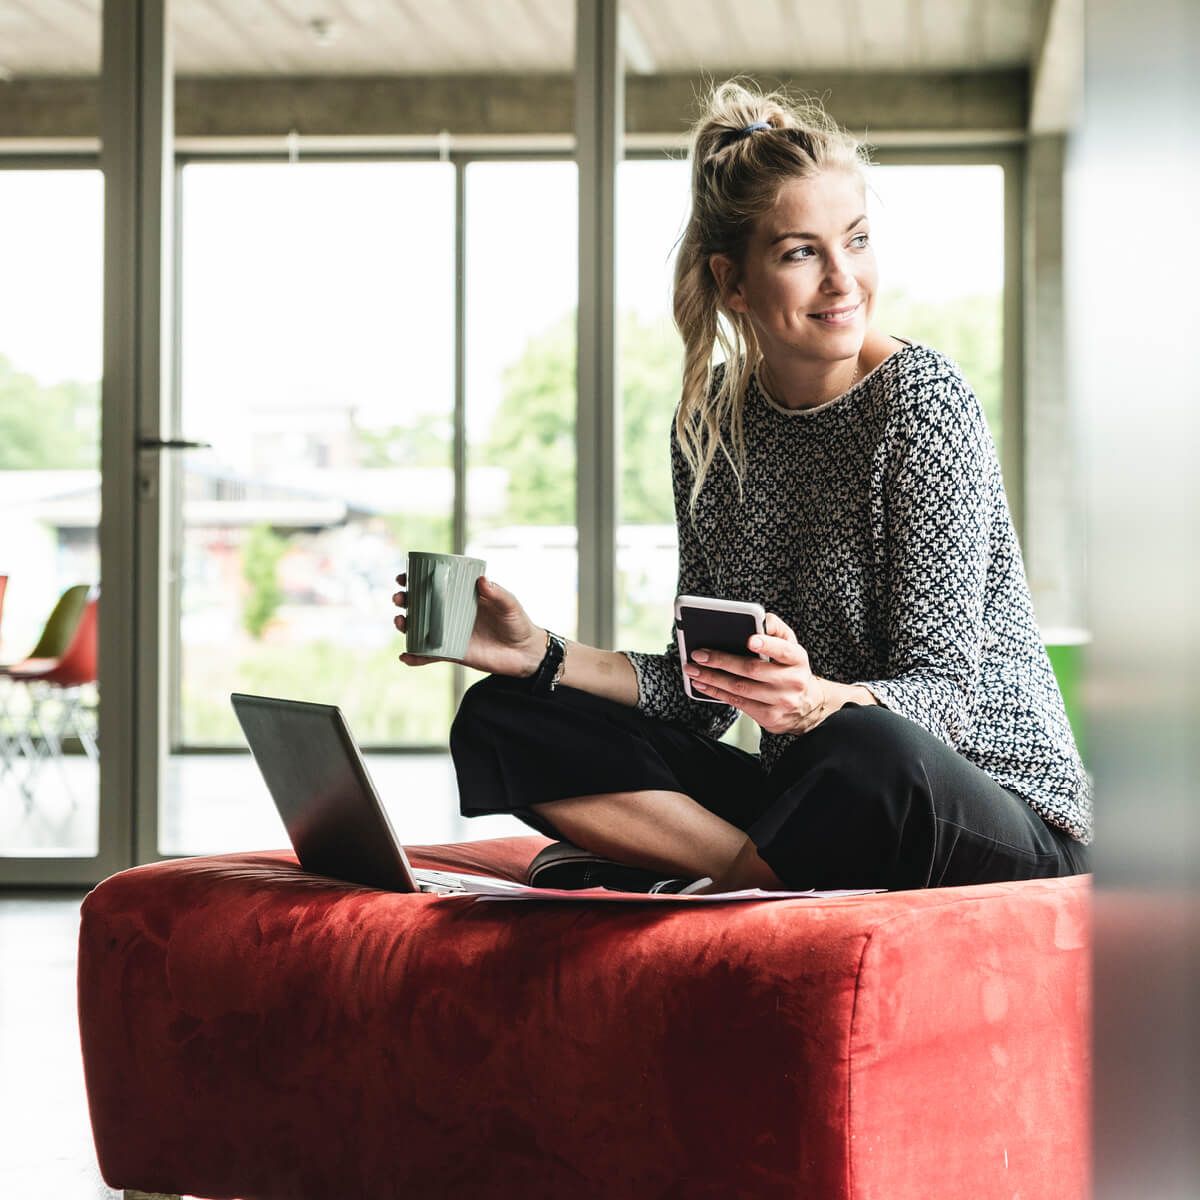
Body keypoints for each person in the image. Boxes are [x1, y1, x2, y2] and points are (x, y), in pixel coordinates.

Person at [392, 80, 1092, 895]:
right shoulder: (712, 428)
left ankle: (727, 870)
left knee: (866, 747)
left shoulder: (922, 400)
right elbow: (702, 696)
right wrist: (539, 653)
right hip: (813, 797)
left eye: (857, 241)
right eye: (801, 253)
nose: (844, 281)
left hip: (988, 806)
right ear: (733, 282)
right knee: (505, 714)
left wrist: (813, 701)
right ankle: (742, 873)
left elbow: (946, 697)